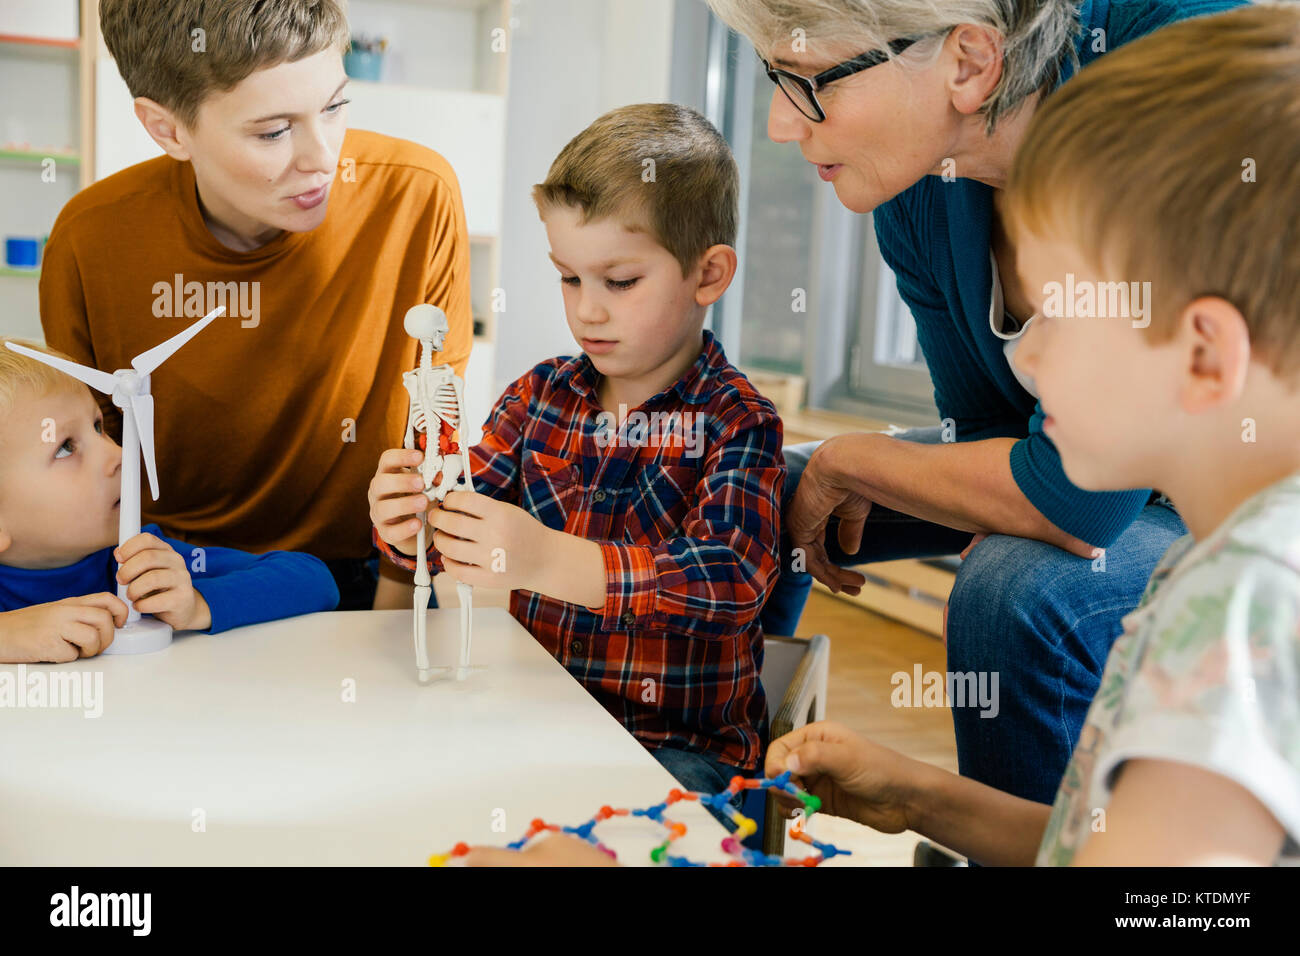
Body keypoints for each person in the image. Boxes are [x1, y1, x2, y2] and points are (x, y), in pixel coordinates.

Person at [462, 1, 1300, 867]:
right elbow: (1107, 858)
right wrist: (919, 796)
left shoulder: (1237, 612)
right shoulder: (1217, 594)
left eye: (1061, 312)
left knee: (1011, 586)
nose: (1027, 348)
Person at [706, 0, 1247, 805]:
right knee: (756, 482)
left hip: (1239, 487)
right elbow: (987, 427)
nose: (784, 125)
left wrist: (858, 458)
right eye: (775, 80)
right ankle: (722, 783)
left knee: (1014, 588)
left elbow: (1079, 501)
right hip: (1091, 461)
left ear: (968, 63)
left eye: (813, 82)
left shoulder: (1152, 101)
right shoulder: (922, 186)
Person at [369, 104, 784, 804]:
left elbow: (730, 580)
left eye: (619, 282)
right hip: (532, 713)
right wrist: (412, 521)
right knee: (407, 788)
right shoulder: (537, 398)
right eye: (569, 278)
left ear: (708, 275)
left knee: (640, 832)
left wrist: (547, 559)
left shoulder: (738, 421)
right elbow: (450, 535)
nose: (587, 309)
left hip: (678, 751)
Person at [38, 0, 473, 612]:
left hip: (368, 576)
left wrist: (393, 609)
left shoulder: (417, 196)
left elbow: (432, 437)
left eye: (335, 105)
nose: (321, 156)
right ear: (167, 129)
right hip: (166, 576)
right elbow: (82, 457)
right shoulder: (91, 237)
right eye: (273, 132)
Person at [0, 340, 338, 663]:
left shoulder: (139, 563)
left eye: (99, 427)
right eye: (65, 447)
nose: (119, 454)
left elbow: (314, 580)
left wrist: (198, 604)